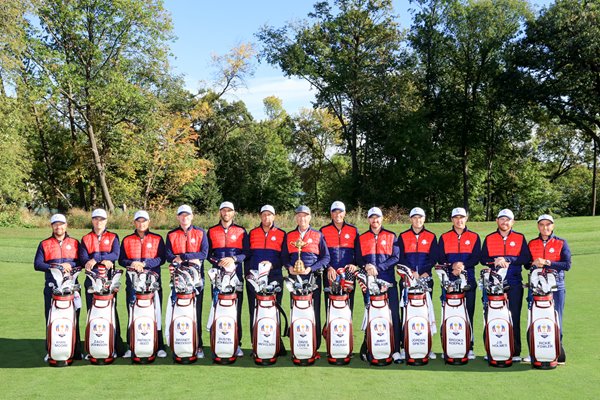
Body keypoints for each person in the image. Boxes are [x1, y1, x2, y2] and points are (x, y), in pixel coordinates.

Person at [480, 209, 530, 362]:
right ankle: (491, 349)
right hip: (493, 283)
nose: (504, 222)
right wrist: (494, 260)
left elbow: (526, 258)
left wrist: (507, 258)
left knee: (514, 316)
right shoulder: (489, 238)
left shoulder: (520, 238)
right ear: (497, 221)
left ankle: (514, 351)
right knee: (491, 316)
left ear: (512, 222)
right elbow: (483, 259)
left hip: (514, 282)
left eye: (507, 220)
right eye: (502, 219)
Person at [34, 213, 82, 361]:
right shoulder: (45, 243)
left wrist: (70, 265)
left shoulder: (75, 243)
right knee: (51, 318)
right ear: (52, 226)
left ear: (66, 225)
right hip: (52, 287)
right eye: (55, 224)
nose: (58, 227)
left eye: (61, 224)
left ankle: (76, 351)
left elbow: (81, 261)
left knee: (74, 317)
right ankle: (51, 350)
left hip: (71, 286)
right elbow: (37, 264)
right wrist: (56, 266)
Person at [356, 207, 402, 362]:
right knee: (371, 316)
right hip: (369, 283)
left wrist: (378, 267)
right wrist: (367, 266)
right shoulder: (362, 238)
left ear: (382, 219)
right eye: (372, 218)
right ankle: (370, 347)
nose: (374, 221)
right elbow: (358, 258)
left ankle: (396, 349)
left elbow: (395, 257)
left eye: (377, 218)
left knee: (393, 315)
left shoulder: (391, 236)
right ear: (368, 219)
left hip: (388, 282)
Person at [119, 210, 167, 358]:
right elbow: (121, 260)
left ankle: (159, 346)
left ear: (149, 222)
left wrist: (145, 264)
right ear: (135, 223)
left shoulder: (157, 238)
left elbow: (162, 259)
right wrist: (132, 263)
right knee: (133, 313)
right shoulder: (127, 240)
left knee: (155, 313)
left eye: (144, 221)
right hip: (133, 283)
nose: (142, 224)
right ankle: (131, 346)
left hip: (153, 282)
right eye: (139, 221)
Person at [282, 205, 331, 351]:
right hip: (294, 279)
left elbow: (326, 257)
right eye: (299, 215)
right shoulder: (289, 235)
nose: (301, 218)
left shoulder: (318, 235)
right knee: (296, 310)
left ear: (309, 217)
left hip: (313, 278)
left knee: (314, 311)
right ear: (296, 218)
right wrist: (289, 267)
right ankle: (297, 343)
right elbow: (284, 257)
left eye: (305, 216)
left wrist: (311, 268)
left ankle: (314, 344)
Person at [79, 208, 125, 357]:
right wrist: (102, 259)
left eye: (102, 219)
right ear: (92, 220)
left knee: (111, 312)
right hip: (91, 281)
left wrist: (96, 259)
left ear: (106, 221)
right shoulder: (86, 238)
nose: (99, 222)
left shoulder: (113, 236)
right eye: (96, 219)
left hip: (109, 281)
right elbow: (83, 258)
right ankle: (91, 347)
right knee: (92, 313)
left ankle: (115, 346)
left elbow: (115, 254)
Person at [437, 207, 481, 359]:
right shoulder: (444, 237)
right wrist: (452, 266)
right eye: (456, 217)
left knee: (468, 313)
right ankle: (448, 345)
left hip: (468, 279)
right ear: (452, 220)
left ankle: (469, 346)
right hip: (449, 280)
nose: (459, 220)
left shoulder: (474, 237)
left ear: (466, 218)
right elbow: (440, 258)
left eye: (462, 217)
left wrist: (462, 266)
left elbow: (476, 258)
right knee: (449, 314)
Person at [165, 204, 209, 359]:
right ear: (178, 217)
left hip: (196, 279)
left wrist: (183, 256)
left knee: (196, 311)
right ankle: (180, 342)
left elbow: (203, 253)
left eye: (187, 215)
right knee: (179, 311)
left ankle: (198, 345)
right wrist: (184, 257)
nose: (185, 218)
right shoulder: (171, 234)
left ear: (192, 216)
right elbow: (168, 254)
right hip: (177, 278)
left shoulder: (200, 232)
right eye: (182, 215)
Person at [527, 214, 571, 365]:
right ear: (538, 226)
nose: (545, 227)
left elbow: (567, 265)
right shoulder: (532, 243)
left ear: (553, 226)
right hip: (536, 285)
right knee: (534, 317)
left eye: (548, 224)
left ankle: (557, 350)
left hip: (556, 285)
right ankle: (534, 350)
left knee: (556, 317)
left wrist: (547, 262)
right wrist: (534, 263)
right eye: (542, 224)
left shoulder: (561, 243)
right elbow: (526, 264)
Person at [207, 201, 248, 357]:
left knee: (235, 310)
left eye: (229, 211)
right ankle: (217, 341)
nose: (226, 213)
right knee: (218, 308)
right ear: (220, 212)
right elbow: (208, 254)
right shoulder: (211, 231)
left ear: (233, 213)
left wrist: (233, 259)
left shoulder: (241, 231)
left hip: (236, 276)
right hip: (217, 276)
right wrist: (218, 262)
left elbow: (246, 253)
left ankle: (236, 343)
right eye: (223, 210)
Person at [397, 206, 438, 360]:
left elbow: (434, 257)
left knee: (426, 313)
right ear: (410, 219)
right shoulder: (403, 236)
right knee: (406, 313)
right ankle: (404, 346)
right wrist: (410, 272)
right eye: (414, 217)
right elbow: (400, 257)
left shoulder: (431, 236)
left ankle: (427, 346)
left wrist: (422, 271)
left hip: (425, 278)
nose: (417, 220)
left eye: (420, 217)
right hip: (407, 279)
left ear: (424, 219)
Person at [246, 205, 287, 353]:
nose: (266, 217)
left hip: (274, 276)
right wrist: (248, 275)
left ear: (274, 216)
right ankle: (256, 343)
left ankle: (276, 343)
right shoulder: (252, 233)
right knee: (255, 311)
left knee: (275, 310)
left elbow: (284, 258)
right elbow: (247, 256)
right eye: (264, 215)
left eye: (269, 215)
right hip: (255, 279)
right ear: (260, 216)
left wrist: (272, 264)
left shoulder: (282, 234)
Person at [320, 201, 359, 311]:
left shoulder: (353, 230)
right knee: (330, 305)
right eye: (335, 212)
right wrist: (328, 268)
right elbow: (320, 254)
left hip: (348, 273)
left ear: (345, 213)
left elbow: (358, 252)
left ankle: (348, 328)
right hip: (330, 273)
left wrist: (354, 264)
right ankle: (329, 327)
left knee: (348, 304)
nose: (338, 215)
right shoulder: (323, 230)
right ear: (331, 214)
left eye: (340, 212)